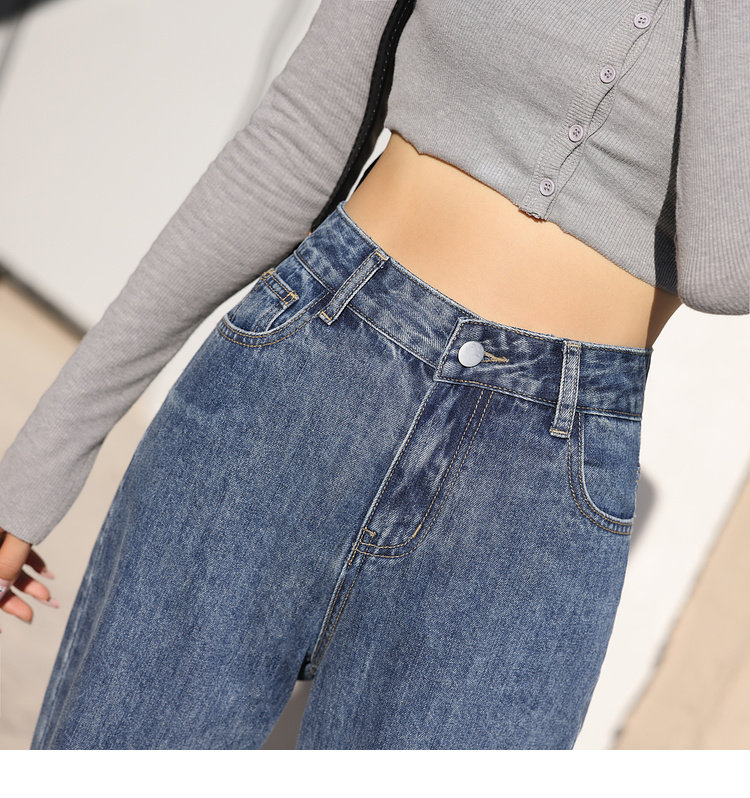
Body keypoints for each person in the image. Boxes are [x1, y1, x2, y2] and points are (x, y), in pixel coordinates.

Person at [0, 0, 748, 749]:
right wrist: (42, 460)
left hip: (542, 478)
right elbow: (300, 135)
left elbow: (724, 267)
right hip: (310, 370)